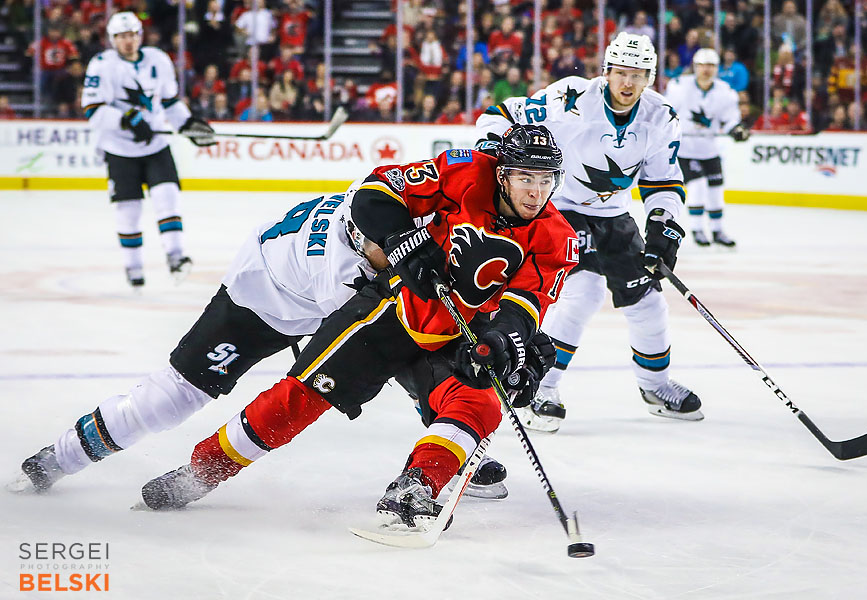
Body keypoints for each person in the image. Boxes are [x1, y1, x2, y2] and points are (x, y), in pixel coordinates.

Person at [137, 126, 579, 529]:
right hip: (390, 311)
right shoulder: (465, 170)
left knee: (480, 404)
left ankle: (417, 484)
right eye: (525, 177)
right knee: (302, 396)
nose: (535, 191)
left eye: (545, 180)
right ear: (502, 175)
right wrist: (404, 242)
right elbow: (374, 192)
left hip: (457, 330)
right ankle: (204, 469)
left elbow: (524, 307)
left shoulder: (557, 236)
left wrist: (504, 345)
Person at [11, 180, 530, 500]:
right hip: (255, 304)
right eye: (383, 250)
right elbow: (386, 347)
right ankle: (59, 457)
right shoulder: (337, 265)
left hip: (306, 290)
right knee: (167, 401)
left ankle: (452, 448)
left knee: (396, 341)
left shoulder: (383, 218)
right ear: (360, 244)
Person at [476, 32, 701, 432]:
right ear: (606, 72)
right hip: (561, 209)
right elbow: (501, 113)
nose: (628, 84)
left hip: (614, 215)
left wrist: (664, 227)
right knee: (584, 292)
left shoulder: (660, 116)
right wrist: (494, 149)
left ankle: (655, 386)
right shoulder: (571, 100)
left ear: (649, 77)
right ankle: (541, 387)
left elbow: (663, 180)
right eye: (620, 73)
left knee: (647, 301)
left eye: (637, 75)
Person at [81, 12, 216, 288]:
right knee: (128, 211)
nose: (128, 41)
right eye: (121, 36)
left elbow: (168, 101)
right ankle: (133, 268)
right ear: (112, 40)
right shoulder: (101, 65)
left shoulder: (158, 59)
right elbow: (93, 109)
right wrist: (127, 120)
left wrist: (186, 123)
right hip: (119, 149)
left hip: (156, 145)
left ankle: (176, 257)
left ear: (140, 36)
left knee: (167, 197)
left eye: (132, 35)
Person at [665, 48, 749, 248]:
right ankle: (697, 229)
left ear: (717, 68)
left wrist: (736, 129)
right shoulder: (679, 86)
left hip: (709, 148)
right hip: (685, 148)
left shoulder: (725, 91)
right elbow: (666, 111)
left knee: (716, 188)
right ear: (695, 67)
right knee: (698, 186)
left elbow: (729, 120)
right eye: (702, 65)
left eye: (710, 65)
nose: (706, 70)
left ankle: (717, 230)